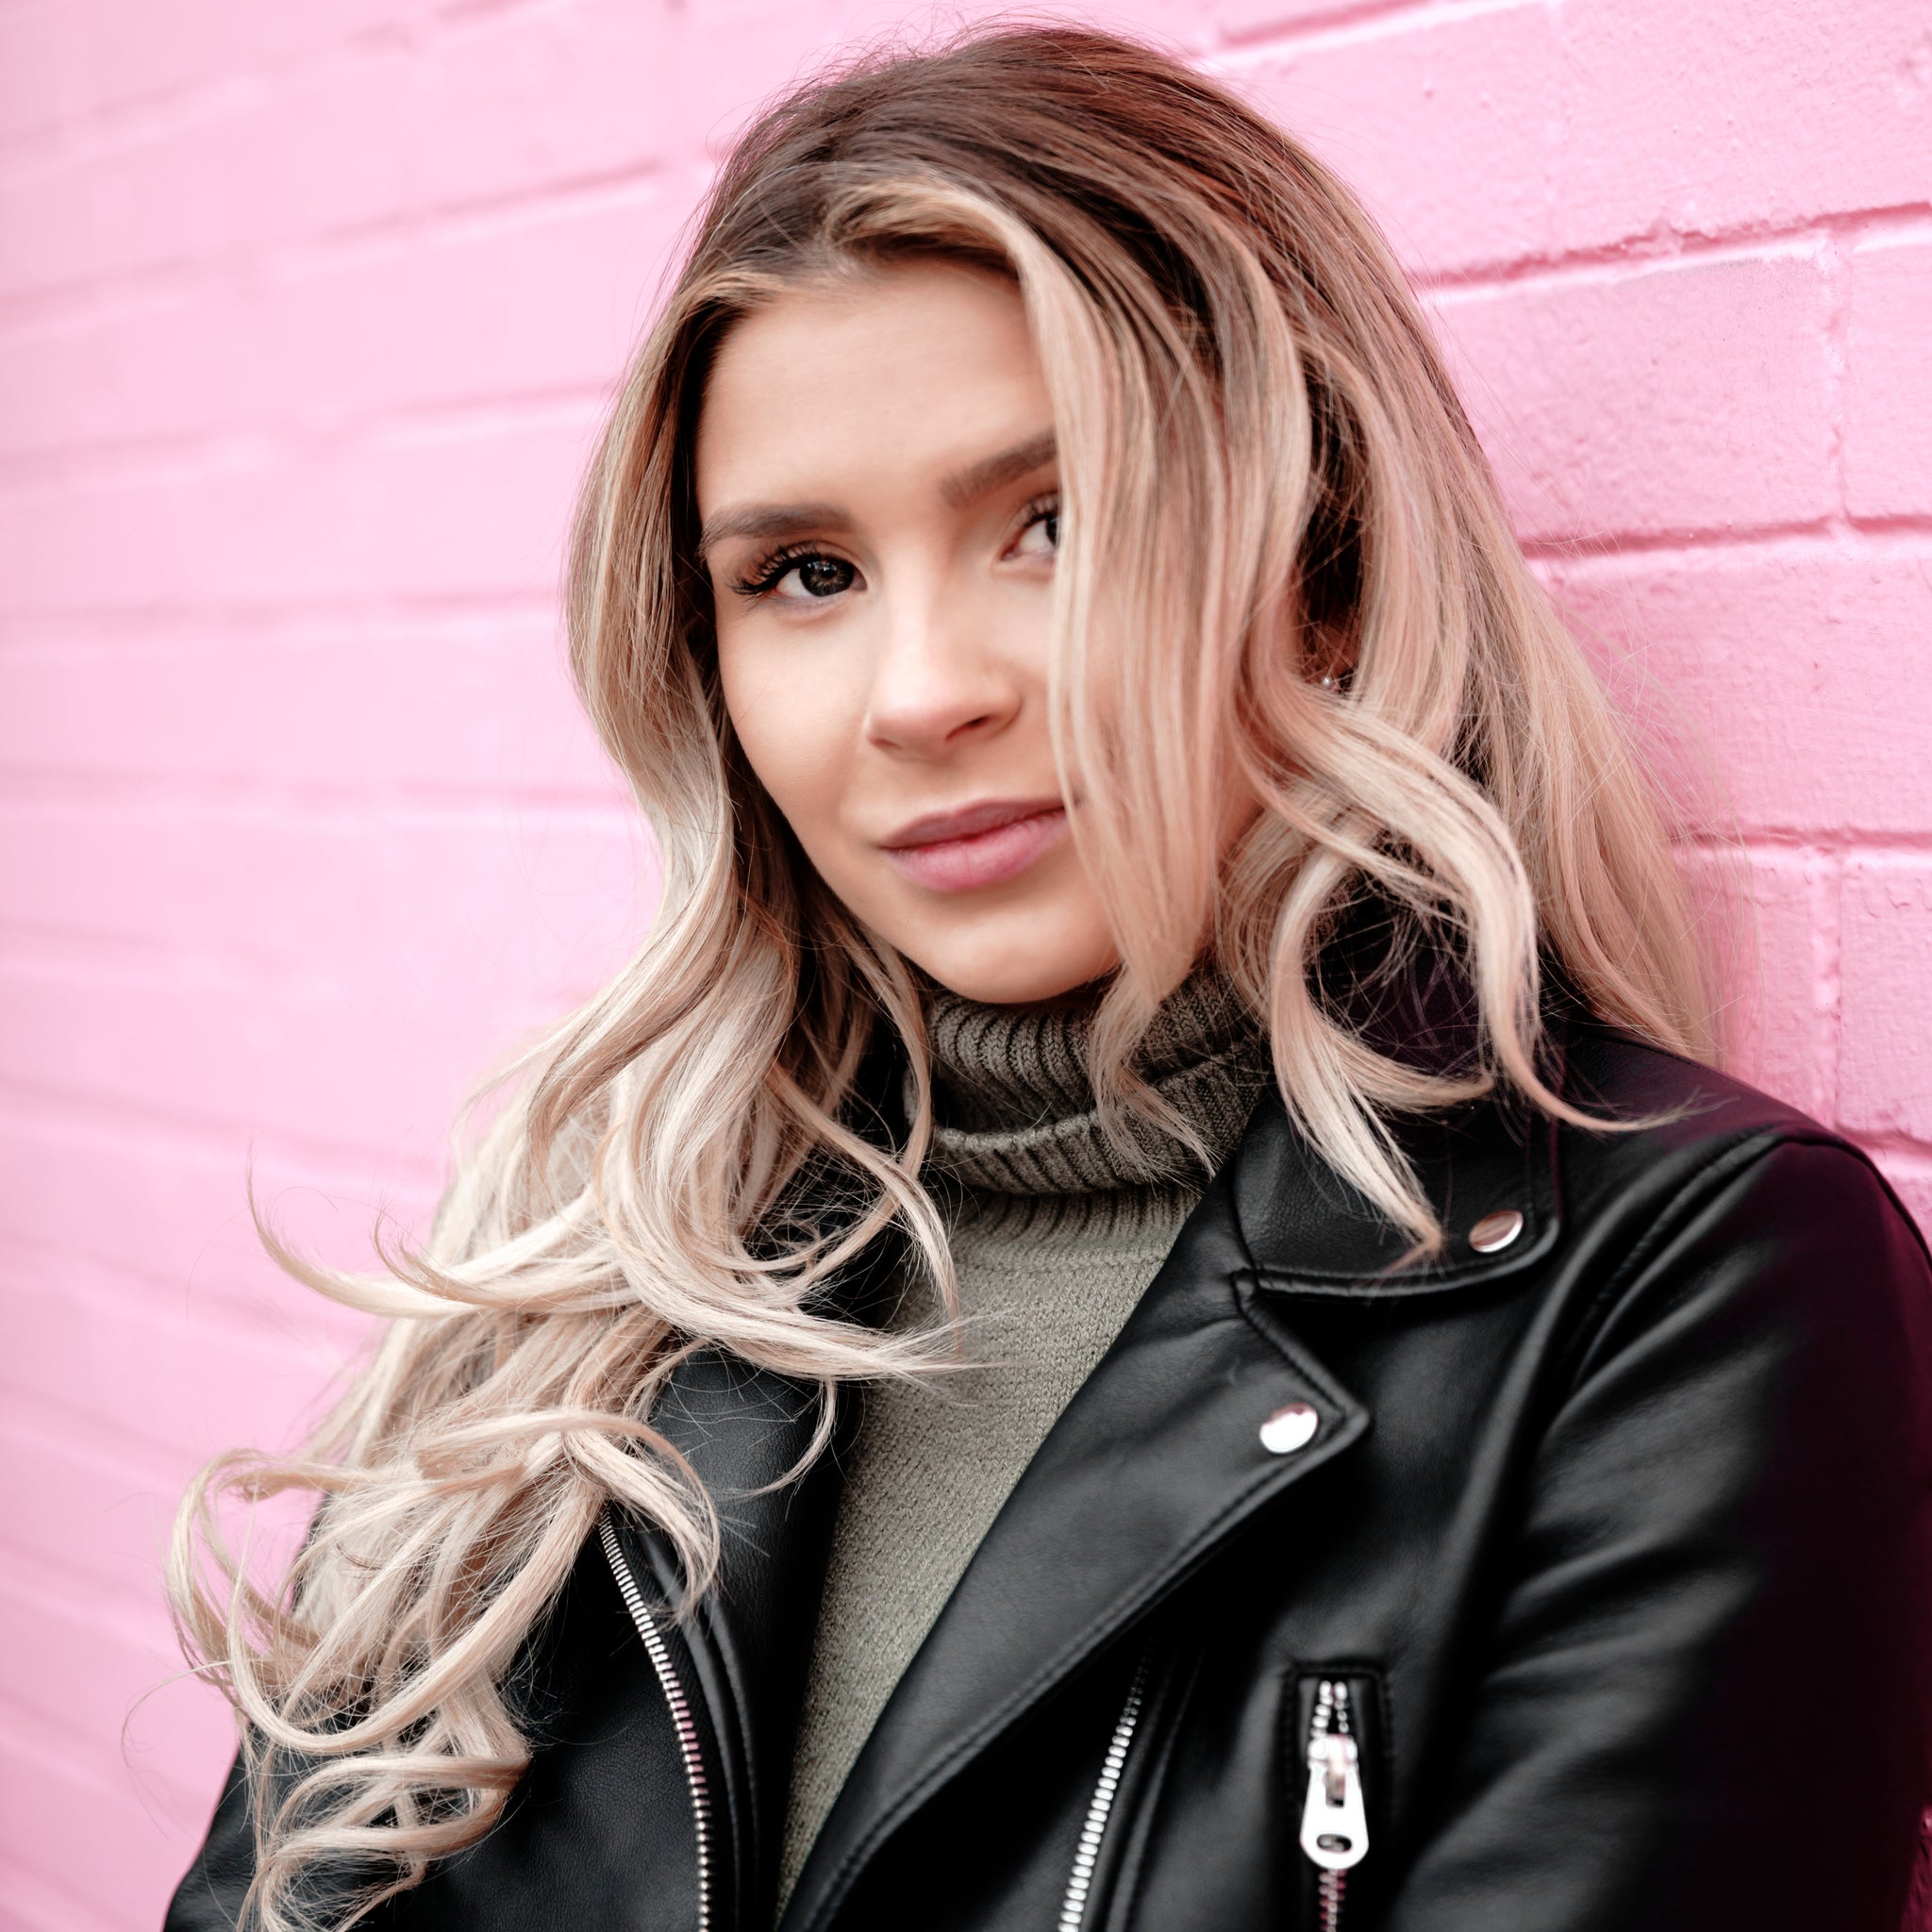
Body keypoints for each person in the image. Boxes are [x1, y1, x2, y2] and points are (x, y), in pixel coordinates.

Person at [164, 25, 1932, 1932]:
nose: (923, 694)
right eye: (803, 576)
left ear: (1320, 565)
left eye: (1051, 523)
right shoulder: (586, 1276)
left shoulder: (1684, 1287)